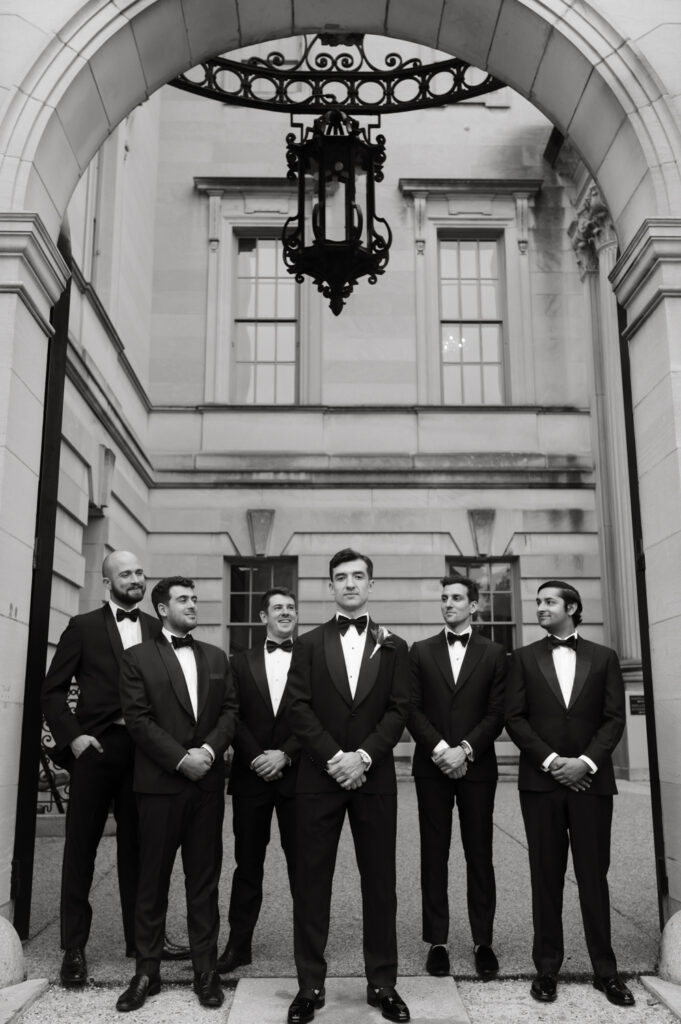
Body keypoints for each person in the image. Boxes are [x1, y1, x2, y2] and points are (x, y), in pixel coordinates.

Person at [285, 549, 411, 1024]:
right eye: (342, 577)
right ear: (330, 586)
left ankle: (383, 983)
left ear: (371, 585)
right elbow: (297, 708)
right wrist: (336, 758)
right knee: (312, 884)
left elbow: (399, 709)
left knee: (380, 885)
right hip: (319, 779)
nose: (351, 584)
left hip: (373, 778)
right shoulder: (309, 643)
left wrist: (363, 757)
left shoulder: (395, 646)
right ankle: (309, 985)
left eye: (359, 576)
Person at [504, 580, 635, 1007]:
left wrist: (587, 763)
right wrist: (553, 763)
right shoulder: (523, 658)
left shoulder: (603, 657)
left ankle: (606, 971)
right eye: (538, 602)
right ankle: (546, 969)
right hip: (541, 785)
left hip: (591, 784)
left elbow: (614, 718)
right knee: (546, 876)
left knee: (594, 877)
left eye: (549, 601)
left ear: (572, 607)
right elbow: (515, 718)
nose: (540, 607)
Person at [116, 576, 238, 1012]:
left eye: (194, 599)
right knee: (152, 881)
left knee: (203, 881)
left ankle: (205, 970)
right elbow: (137, 719)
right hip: (159, 787)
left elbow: (230, 711)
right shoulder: (137, 658)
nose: (192, 605)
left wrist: (206, 751)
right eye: (183, 599)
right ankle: (146, 971)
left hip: (206, 786)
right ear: (162, 608)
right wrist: (180, 759)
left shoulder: (216, 656)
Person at [41, 550, 161, 987]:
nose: (135, 578)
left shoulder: (156, 628)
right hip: (95, 748)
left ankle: (142, 939)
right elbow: (52, 691)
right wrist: (73, 737)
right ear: (108, 583)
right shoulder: (84, 627)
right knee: (80, 849)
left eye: (139, 572)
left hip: (144, 753)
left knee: (141, 848)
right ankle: (73, 947)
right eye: (125, 573)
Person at [408, 575, 506, 981]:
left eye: (456, 598)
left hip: (477, 766)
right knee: (434, 853)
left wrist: (464, 749)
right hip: (431, 767)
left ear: (474, 605)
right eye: (444, 598)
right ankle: (437, 942)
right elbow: (411, 708)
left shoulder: (496, 653)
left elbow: (498, 712)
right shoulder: (420, 651)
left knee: (479, 853)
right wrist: (439, 751)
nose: (448, 604)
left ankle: (483, 941)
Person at [217, 587, 300, 973]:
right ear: (263, 617)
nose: (285, 613)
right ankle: (238, 945)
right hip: (251, 778)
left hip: (299, 776)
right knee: (247, 865)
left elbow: (319, 714)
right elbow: (232, 714)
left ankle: (307, 947)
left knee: (305, 867)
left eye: (290, 608)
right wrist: (258, 757)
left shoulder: (313, 658)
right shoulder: (240, 661)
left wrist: (285, 753)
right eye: (277, 608)